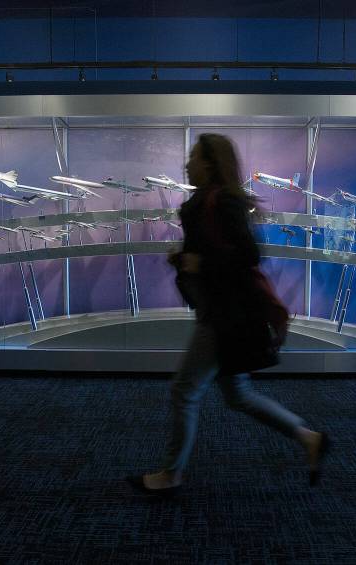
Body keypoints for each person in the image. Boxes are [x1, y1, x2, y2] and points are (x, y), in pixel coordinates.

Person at [127, 133, 328, 496]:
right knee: (239, 396)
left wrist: (199, 261)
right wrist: (187, 260)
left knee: (185, 391)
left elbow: (248, 255)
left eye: (193, 156)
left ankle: (171, 474)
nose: (186, 163)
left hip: (223, 316)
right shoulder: (206, 203)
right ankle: (308, 438)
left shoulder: (223, 203)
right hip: (222, 311)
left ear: (209, 162)